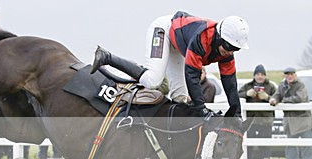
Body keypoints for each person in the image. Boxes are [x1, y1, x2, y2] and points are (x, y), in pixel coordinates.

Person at [90, 11, 249, 118]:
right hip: (164, 30)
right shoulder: (202, 38)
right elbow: (192, 75)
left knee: (180, 98)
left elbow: (230, 84)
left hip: (179, 44)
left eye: (236, 49)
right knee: (153, 81)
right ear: (219, 37)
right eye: (229, 47)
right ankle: (107, 57)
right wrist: (201, 109)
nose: (230, 52)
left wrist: (237, 114)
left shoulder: (227, 53)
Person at [270, 67, 312, 159]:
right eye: (287, 74)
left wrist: (284, 100)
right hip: (289, 119)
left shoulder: (300, 85)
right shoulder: (282, 85)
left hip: (303, 118)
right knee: (290, 143)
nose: (289, 76)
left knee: (307, 143)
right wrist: (274, 100)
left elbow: (299, 98)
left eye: (291, 74)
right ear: (284, 75)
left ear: (295, 75)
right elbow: (277, 95)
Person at [238, 64, 277, 159]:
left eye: (262, 74)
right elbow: (237, 95)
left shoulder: (271, 86)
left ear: (265, 76)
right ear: (254, 75)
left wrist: (267, 97)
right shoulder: (248, 86)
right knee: (248, 145)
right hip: (251, 121)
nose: (260, 76)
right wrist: (247, 94)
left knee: (265, 145)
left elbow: (277, 98)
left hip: (265, 121)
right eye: (258, 74)